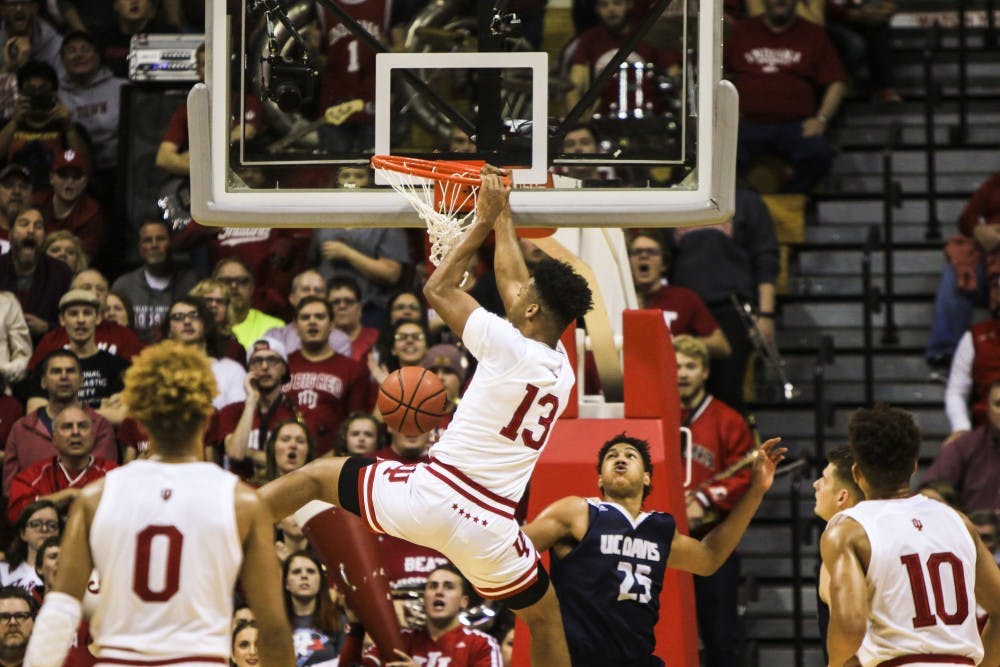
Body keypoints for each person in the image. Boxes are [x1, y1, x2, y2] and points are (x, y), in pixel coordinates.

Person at [260, 165, 595, 666]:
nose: (517, 293)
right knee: (545, 618)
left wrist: (480, 224)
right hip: (492, 529)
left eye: (526, 297)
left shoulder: (506, 345)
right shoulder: (562, 370)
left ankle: (227, 528)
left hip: (432, 496)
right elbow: (513, 285)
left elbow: (438, 290)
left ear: (530, 312)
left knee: (313, 478)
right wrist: (503, 213)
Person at [23, 340, 295, 667]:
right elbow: (274, 629)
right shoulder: (242, 501)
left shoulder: (96, 496)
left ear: (139, 420)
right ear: (207, 418)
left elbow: (59, 611)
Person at [522, 432, 784, 666]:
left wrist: (756, 491)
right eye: (612, 456)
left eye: (630, 455)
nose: (620, 459)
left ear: (647, 477)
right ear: (600, 479)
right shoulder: (578, 512)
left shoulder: (660, 529)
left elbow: (709, 558)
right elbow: (512, 549)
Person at [822, 403, 1000, 667]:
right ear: (914, 466)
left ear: (856, 473)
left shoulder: (850, 532)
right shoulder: (958, 521)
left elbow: (850, 627)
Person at [671, 334, 755, 666]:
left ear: (705, 371)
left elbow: (743, 476)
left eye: (690, 366)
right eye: (676, 366)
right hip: (665, 545)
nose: (682, 373)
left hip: (713, 544)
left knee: (720, 641)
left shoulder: (728, 420)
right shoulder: (656, 416)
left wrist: (704, 500)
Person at [4, 349, 117, 496]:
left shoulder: (100, 426)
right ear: (43, 382)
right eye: (56, 371)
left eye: (70, 371)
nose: (64, 376)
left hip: (89, 508)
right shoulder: (21, 429)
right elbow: (10, 491)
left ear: (81, 381)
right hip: (34, 509)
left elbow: (105, 483)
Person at [342, 564, 503, 666]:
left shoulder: (482, 645)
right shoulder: (400, 640)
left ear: (464, 601)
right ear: (425, 597)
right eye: (432, 586)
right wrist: (356, 629)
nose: (439, 592)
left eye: (448, 587)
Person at [284, 296, 369, 456]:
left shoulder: (353, 369)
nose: (312, 322)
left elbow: (355, 424)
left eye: (320, 317)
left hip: (332, 458)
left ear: (332, 325)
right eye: (305, 317)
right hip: (284, 457)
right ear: (295, 326)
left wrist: (326, 461)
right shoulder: (282, 366)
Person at [7, 404, 116, 523]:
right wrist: (66, 495)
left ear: (92, 436)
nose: (76, 432)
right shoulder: (34, 476)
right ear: (54, 439)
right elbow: (15, 513)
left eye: (82, 426)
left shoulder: (114, 474)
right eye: (67, 427)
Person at [629, 232, 730, 358]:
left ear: (663, 264)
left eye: (651, 252)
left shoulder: (684, 298)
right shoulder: (618, 298)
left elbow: (722, 345)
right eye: (637, 252)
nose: (643, 256)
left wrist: (684, 343)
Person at [218, 337, 300, 480]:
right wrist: (251, 401)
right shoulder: (231, 412)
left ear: (283, 368)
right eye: (256, 361)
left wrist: (249, 453)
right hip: (241, 490)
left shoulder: (296, 413)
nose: (264, 367)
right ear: (248, 370)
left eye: (272, 360)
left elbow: (295, 464)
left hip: (282, 489)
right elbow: (236, 453)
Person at [811, 445, 863, 659]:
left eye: (824, 479)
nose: (815, 484)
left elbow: (849, 634)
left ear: (842, 497)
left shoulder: (841, 547)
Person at [110, 219, 198, 342]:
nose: (154, 245)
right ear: (140, 248)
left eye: (160, 239)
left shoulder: (191, 283)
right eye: (147, 240)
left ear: (171, 243)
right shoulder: (124, 286)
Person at [922, 378, 1000, 513]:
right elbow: (927, 494)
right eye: (998, 404)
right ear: (987, 408)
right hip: (973, 525)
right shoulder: (963, 447)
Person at [0, 206, 73, 339]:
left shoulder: (61, 274)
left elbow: (73, 322)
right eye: (24, 224)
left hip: (46, 347)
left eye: (38, 226)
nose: (31, 230)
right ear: (10, 235)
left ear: (44, 237)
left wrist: (47, 327)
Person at [263, 268, 351, 356]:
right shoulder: (275, 336)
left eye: (318, 290)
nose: (312, 294)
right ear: (292, 298)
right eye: (305, 289)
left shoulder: (339, 339)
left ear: (327, 299)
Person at [36, 148, 102, 260]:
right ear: (51, 178)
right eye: (63, 175)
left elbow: (84, 259)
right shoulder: (37, 203)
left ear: (85, 181)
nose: (70, 182)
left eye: (76, 176)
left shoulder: (91, 212)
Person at [283, 550, 344, 665]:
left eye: (310, 571)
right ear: (286, 583)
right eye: (296, 572)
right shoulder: (275, 623)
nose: (304, 576)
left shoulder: (338, 621)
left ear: (320, 580)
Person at [0, 500, 58, 589]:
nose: (44, 529)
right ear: (23, 533)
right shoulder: (3, 570)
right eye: (36, 524)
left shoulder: (67, 573)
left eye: (52, 525)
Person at [329, 276, 379, 364]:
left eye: (349, 301)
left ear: (360, 308)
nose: (342, 306)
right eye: (336, 302)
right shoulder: (320, 340)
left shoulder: (376, 339)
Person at [0, 585, 36, 666]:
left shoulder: (58, 661)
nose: (13, 622)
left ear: (34, 622)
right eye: (4, 617)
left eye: (20, 616)